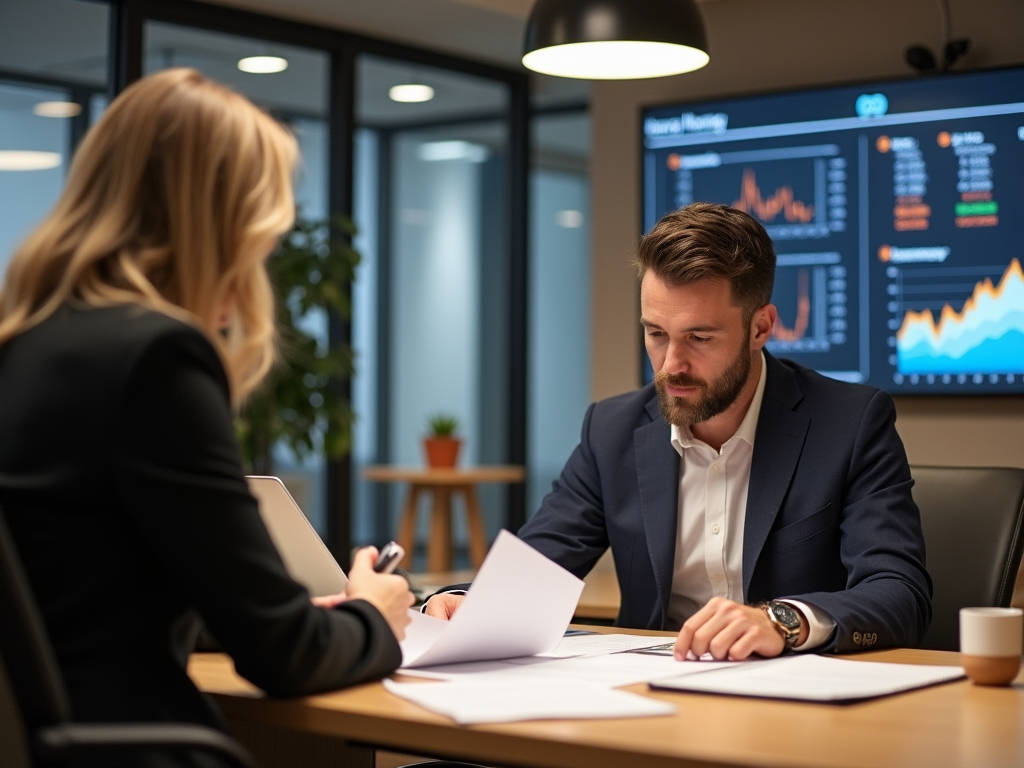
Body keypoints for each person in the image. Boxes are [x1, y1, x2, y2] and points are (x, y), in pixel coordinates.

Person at [0, 68, 412, 766]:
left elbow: (81, 593)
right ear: (226, 227)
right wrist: (375, 615)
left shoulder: (26, 347)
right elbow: (283, 658)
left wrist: (257, 608)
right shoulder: (154, 356)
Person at [425, 202, 932, 661]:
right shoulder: (612, 430)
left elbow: (900, 593)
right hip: (652, 701)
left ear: (761, 327)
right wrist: (465, 603)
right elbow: (536, 571)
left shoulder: (850, 422)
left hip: (796, 706)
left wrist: (781, 621)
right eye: (656, 334)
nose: (671, 365)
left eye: (699, 337)